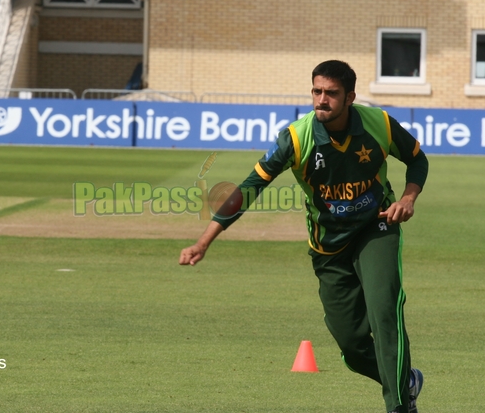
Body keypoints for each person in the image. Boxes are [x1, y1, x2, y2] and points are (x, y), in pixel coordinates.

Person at [179, 60, 429, 413]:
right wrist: (204, 241)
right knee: (354, 350)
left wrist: (408, 198)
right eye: (316, 91)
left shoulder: (379, 124)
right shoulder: (297, 137)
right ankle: (407, 381)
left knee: (385, 313)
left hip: (377, 226)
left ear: (350, 97)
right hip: (328, 246)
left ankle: (399, 406)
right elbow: (249, 188)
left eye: (331, 93)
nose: (321, 100)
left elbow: (418, 160)